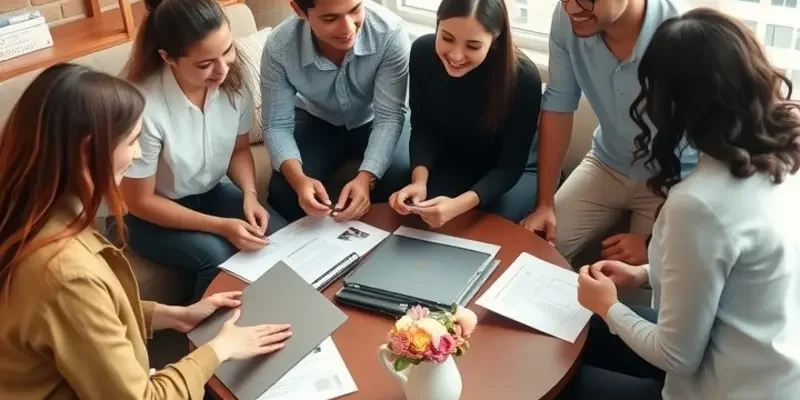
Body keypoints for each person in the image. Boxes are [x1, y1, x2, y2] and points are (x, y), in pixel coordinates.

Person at [0, 63, 292, 399]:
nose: (138, 153)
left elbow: (80, 319)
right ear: (87, 150)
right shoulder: (65, 274)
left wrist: (173, 315)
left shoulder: (35, 216)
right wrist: (220, 349)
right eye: (132, 141)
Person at [561, 9, 800, 399]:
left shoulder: (698, 204)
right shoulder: (785, 155)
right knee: (575, 332)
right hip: (775, 372)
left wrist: (607, 306)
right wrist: (645, 274)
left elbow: (675, 355)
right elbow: (740, 274)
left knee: (560, 379)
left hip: (720, 387)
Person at [120, 0, 286, 302]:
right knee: (218, 255)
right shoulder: (144, 107)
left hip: (210, 192)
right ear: (168, 57)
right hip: (149, 217)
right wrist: (221, 226)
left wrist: (249, 194)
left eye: (227, 51)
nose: (222, 69)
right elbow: (140, 201)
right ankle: (203, 343)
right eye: (205, 63)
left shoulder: (233, 82)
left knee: (278, 236)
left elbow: (238, 151)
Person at [520, 0, 697, 265]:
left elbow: (711, 152)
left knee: (652, 279)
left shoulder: (686, 34)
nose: (570, 8)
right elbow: (558, 105)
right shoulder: (569, 17)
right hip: (606, 163)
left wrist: (654, 244)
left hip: (673, 179)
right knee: (531, 252)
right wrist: (545, 203)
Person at [387, 0, 542, 228]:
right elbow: (422, 127)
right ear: (437, 26)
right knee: (407, 210)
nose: (456, 56)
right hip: (453, 160)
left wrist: (456, 206)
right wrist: (419, 182)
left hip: (509, 172)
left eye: (473, 46)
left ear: (495, 40)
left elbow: (509, 168)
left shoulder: (524, 79)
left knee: (481, 227)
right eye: (447, 38)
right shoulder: (422, 52)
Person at [263, 0, 411, 223]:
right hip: (317, 119)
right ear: (298, 10)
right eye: (330, 18)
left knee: (398, 177)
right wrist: (299, 180)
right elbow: (276, 124)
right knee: (284, 191)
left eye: (355, 10)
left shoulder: (390, 33)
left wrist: (366, 178)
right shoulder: (279, 47)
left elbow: (389, 116)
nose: (348, 28)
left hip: (376, 118)